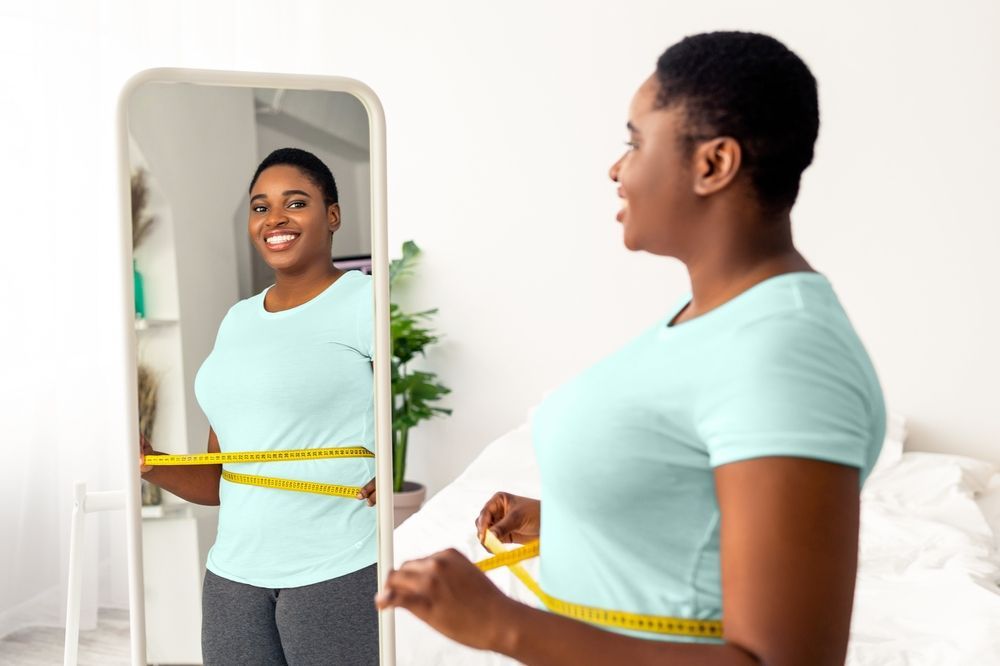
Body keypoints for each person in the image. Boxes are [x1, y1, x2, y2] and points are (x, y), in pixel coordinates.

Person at [375, 31, 885, 666]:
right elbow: (697, 518)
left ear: (713, 164)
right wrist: (577, 521)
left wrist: (502, 625)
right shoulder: (713, 320)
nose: (617, 169)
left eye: (636, 141)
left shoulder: (785, 353)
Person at [140, 147, 379, 665]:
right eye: (260, 206)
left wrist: (403, 469)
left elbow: (415, 426)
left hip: (337, 566)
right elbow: (222, 477)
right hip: (232, 578)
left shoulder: (367, 303)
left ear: (332, 215)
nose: (275, 219)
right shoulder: (238, 320)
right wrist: (149, 462)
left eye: (296, 203)